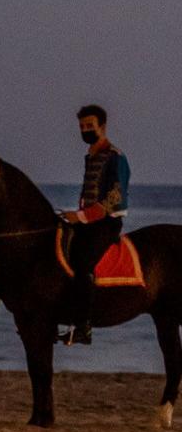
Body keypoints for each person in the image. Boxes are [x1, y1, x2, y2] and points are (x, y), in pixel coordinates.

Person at [60, 103, 130, 345]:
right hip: (88, 221)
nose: (86, 130)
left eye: (90, 126)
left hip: (108, 224)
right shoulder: (91, 154)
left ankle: (84, 326)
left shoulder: (115, 156)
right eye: (82, 127)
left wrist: (79, 217)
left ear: (103, 126)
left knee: (83, 262)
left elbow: (114, 198)